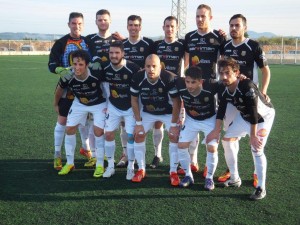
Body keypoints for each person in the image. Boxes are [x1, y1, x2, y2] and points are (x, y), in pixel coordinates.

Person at [206, 57, 275, 200]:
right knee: (227, 140)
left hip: (262, 118)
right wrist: (216, 130)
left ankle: (261, 188)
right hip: (244, 116)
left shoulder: (247, 85)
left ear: (237, 72)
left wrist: (253, 135)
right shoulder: (224, 88)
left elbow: (254, 112)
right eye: (221, 73)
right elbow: (221, 111)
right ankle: (235, 178)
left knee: (257, 148)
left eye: (228, 73)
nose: (224, 76)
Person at [217, 14, 271, 184]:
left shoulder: (253, 46)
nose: (234, 28)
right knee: (230, 135)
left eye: (237, 25)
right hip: (233, 97)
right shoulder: (225, 45)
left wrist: (262, 90)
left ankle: (256, 173)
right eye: (231, 25)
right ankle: (231, 170)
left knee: (255, 142)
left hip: (250, 96)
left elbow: (265, 70)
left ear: (244, 28)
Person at [184, 4, 227, 175]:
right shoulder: (189, 36)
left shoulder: (218, 37)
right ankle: (193, 161)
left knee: (210, 123)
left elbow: (224, 61)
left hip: (211, 86)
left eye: (203, 16)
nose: (200, 19)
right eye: (197, 16)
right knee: (193, 120)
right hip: (193, 86)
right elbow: (185, 62)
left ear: (210, 18)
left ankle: (210, 164)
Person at [48, 12, 91, 171]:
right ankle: (57, 155)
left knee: (84, 121)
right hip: (67, 89)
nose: (77, 26)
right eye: (74, 23)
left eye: (79, 23)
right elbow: (51, 64)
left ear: (83, 25)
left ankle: (86, 149)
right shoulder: (61, 42)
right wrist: (59, 69)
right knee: (62, 121)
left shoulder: (87, 41)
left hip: (85, 88)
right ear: (69, 24)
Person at [53, 50, 107, 177]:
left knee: (98, 131)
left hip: (98, 104)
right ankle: (70, 163)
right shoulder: (68, 75)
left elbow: (107, 87)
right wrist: (55, 104)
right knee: (70, 128)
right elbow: (59, 90)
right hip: (80, 104)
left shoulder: (96, 73)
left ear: (87, 65)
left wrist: (109, 105)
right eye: (75, 64)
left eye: (80, 64)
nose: (77, 67)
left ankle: (99, 164)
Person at [130, 54, 181, 185]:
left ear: (160, 67)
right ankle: (141, 169)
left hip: (168, 112)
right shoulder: (138, 78)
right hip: (148, 112)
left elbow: (176, 102)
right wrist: (138, 123)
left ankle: (173, 171)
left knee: (174, 136)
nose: (151, 69)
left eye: (154, 66)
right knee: (139, 135)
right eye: (148, 66)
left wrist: (174, 124)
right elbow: (134, 100)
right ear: (144, 67)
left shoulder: (168, 78)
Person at [122, 15, 164, 169]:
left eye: (136, 25)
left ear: (141, 27)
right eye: (131, 25)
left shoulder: (149, 43)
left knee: (157, 122)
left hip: (149, 87)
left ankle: (157, 154)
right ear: (127, 26)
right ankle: (126, 154)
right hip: (128, 88)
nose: (133, 27)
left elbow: (155, 60)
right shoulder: (122, 44)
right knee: (126, 123)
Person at [85, 9, 124, 168]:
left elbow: (123, 55)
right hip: (96, 85)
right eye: (100, 20)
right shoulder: (89, 39)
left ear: (110, 21)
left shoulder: (116, 39)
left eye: (105, 20)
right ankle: (94, 155)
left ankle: (123, 154)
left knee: (120, 120)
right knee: (96, 120)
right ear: (96, 22)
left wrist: (124, 40)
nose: (103, 22)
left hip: (114, 84)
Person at [176, 66, 220, 190]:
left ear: (201, 81)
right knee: (181, 146)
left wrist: (241, 78)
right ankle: (188, 176)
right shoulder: (180, 83)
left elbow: (228, 82)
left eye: (193, 82)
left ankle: (209, 178)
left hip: (209, 119)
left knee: (212, 147)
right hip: (191, 120)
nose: (189, 85)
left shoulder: (211, 85)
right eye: (187, 81)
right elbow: (167, 75)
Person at [101, 41, 140, 179]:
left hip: (130, 107)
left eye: (117, 52)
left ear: (123, 53)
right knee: (109, 134)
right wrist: (106, 104)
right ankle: (110, 166)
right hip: (113, 106)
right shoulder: (105, 68)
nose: (114, 55)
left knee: (130, 137)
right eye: (111, 53)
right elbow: (105, 87)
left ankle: (130, 166)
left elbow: (138, 90)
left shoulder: (132, 68)